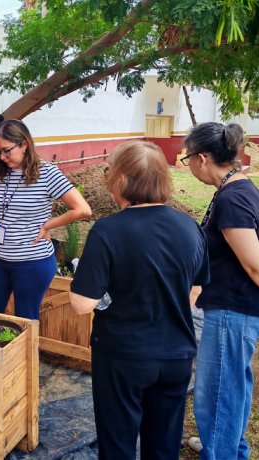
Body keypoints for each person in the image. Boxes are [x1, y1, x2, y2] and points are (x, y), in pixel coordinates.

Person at [69, 140, 210, 460]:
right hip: (176, 356)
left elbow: (81, 303)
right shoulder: (190, 227)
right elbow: (197, 288)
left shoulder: (108, 231)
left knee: (117, 443)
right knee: (163, 446)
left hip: (123, 357)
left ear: (121, 180)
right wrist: (166, 306)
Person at [181, 122, 259, 459]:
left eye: (186, 159)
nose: (188, 165)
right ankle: (228, 445)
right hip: (238, 307)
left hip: (233, 310)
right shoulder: (241, 189)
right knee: (234, 384)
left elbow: (257, 263)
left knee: (218, 391)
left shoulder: (233, 199)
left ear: (201, 158)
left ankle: (221, 452)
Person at [0, 120, 91, 320]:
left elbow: (82, 209)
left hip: (31, 262)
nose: (2, 157)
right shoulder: (1, 173)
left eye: (6, 151)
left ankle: (27, 353)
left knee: (26, 321)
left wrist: (48, 225)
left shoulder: (46, 173)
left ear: (24, 144)